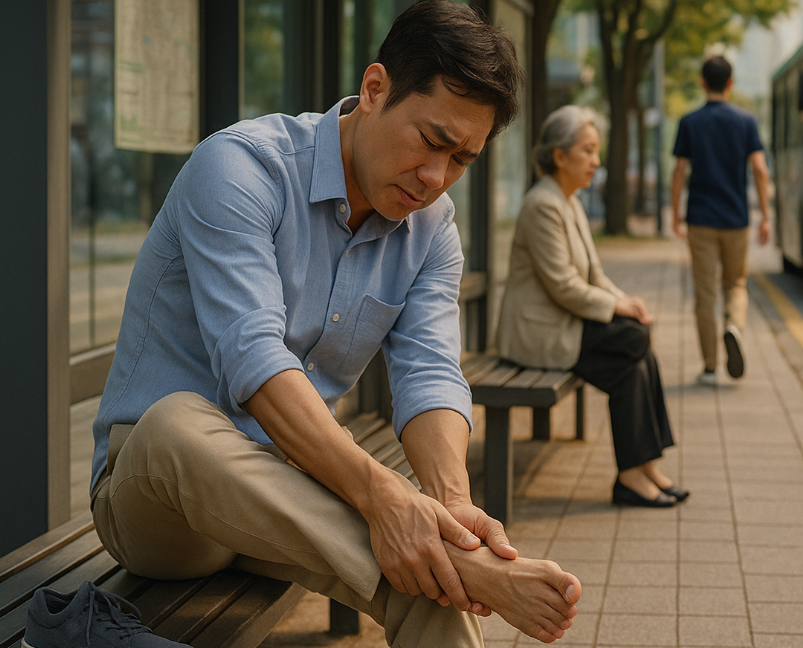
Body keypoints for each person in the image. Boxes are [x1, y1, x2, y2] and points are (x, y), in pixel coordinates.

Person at [85, 2, 582, 647]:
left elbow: (430, 373)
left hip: (295, 485)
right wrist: (386, 500)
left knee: (423, 562)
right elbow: (255, 362)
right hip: (161, 498)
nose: (436, 178)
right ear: (375, 88)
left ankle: (455, 563)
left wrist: (452, 507)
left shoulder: (433, 228)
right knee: (175, 423)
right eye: (432, 141)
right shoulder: (241, 168)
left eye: (462, 159)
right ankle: (465, 566)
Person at [496, 105, 688, 509]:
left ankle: (641, 468)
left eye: (596, 151)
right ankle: (636, 470)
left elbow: (595, 274)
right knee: (634, 341)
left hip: (564, 323)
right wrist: (617, 310)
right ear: (560, 155)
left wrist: (625, 302)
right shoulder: (542, 204)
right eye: (588, 151)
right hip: (539, 332)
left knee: (631, 357)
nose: (596, 162)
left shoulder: (570, 201)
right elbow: (564, 286)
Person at [670, 55, 771, 386]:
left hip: (700, 218)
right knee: (736, 283)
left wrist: (675, 215)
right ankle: (734, 325)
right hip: (736, 219)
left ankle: (711, 367)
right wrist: (766, 217)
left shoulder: (690, 121)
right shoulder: (746, 121)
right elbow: (758, 168)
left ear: (703, 82)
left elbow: (679, 171)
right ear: (730, 83)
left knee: (705, 293)